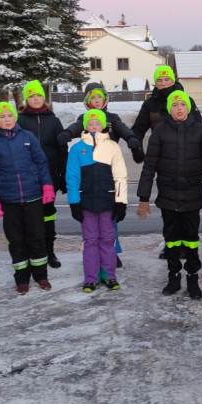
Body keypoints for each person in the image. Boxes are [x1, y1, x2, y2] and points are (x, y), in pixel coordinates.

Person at [136, 90, 202, 300]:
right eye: (175, 105)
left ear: (188, 108)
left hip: (192, 196)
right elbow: (149, 167)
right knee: (172, 240)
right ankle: (174, 276)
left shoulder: (200, 131)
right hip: (167, 196)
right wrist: (143, 198)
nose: (179, 109)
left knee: (192, 241)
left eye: (182, 105)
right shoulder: (159, 133)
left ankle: (192, 277)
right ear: (169, 109)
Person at [0, 101, 55, 294]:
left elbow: (41, 163)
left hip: (33, 197)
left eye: (9, 115)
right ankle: (22, 278)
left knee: (37, 238)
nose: (7, 119)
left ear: (15, 117)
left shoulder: (27, 137)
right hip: (9, 200)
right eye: (2, 116)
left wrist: (47, 186)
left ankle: (41, 275)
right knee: (16, 241)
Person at [65, 108, 128, 292]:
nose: (94, 126)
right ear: (85, 126)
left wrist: (121, 202)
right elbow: (72, 177)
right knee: (90, 240)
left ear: (103, 126)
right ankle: (91, 278)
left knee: (108, 240)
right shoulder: (77, 149)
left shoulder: (112, 147)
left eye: (97, 123)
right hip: (86, 204)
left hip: (108, 202)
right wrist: (74, 202)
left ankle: (109, 275)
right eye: (90, 123)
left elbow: (120, 176)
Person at [17, 80, 66, 269]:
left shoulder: (53, 120)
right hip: (27, 179)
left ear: (43, 98)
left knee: (47, 215)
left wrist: (62, 175)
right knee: (29, 218)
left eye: (38, 95)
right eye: (31, 96)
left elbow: (62, 149)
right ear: (26, 99)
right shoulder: (20, 121)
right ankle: (32, 252)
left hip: (49, 176)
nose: (36, 99)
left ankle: (49, 251)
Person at [130, 65, 202, 145]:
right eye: (159, 80)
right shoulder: (150, 104)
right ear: (156, 83)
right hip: (158, 151)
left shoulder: (186, 101)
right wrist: (137, 150)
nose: (163, 83)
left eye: (167, 79)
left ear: (173, 81)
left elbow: (198, 126)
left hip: (185, 150)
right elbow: (138, 129)